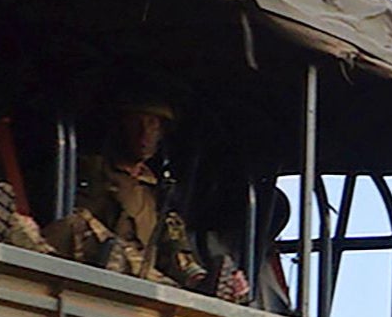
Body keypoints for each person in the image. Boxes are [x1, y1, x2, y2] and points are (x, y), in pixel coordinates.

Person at [61, 102, 252, 303]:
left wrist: (202, 278)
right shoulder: (88, 170)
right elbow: (70, 226)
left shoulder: (160, 193)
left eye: (153, 125)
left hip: (140, 296)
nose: (145, 134)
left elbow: (174, 248)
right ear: (120, 126)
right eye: (137, 123)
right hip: (90, 281)